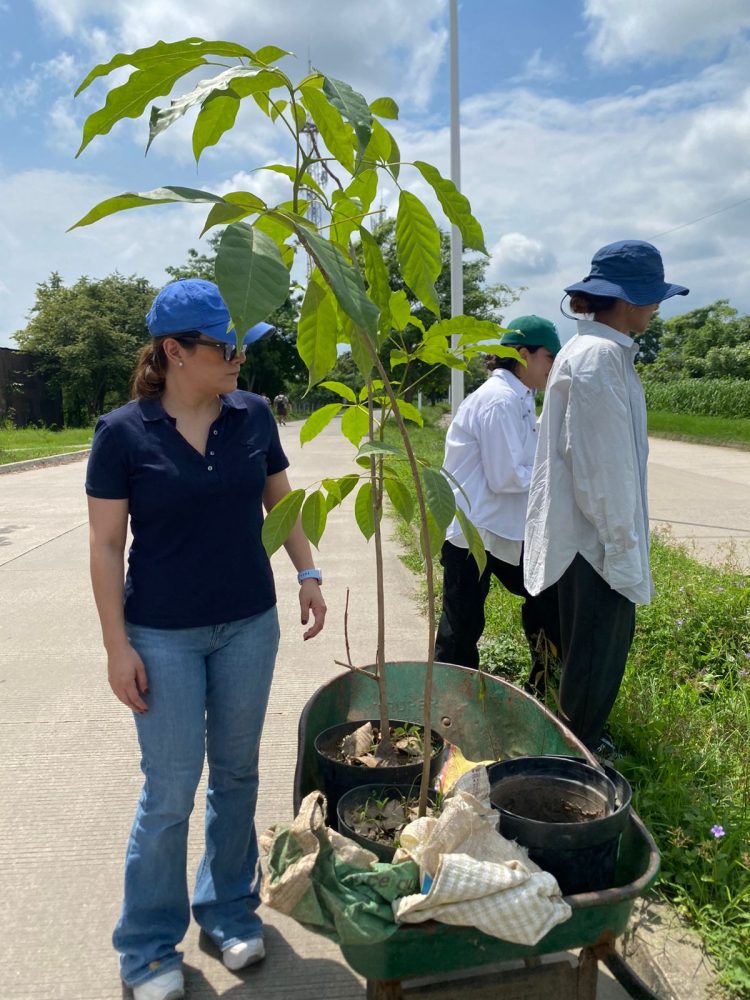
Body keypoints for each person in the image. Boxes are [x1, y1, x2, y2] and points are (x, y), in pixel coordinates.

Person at [86, 278, 327, 1000]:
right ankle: (148, 947)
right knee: (168, 792)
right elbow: (104, 545)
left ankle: (227, 911)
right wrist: (114, 646)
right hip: (162, 635)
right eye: (226, 348)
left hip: (249, 624)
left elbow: (279, 499)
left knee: (238, 775)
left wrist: (308, 570)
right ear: (175, 352)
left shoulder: (252, 416)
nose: (239, 361)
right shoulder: (123, 433)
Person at [524, 240, 688, 753]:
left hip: (588, 540)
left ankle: (580, 748)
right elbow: (603, 472)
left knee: (587, 658)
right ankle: (578, 762)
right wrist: (621, 552)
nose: (657, 306)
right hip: (595, 546)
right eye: (651, 296)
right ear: (626, 301)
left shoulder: (598, 353)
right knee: (594, 662)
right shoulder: (597, 359)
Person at [435, 316, 562, 691]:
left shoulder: (520, 397)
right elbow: (506, 476)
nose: (552, 366)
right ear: (523, 355)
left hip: (502, 529)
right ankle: (449, 707)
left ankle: (544, 685)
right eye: (548, 357)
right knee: (461, 627)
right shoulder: (499, 400)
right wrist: (557, 479)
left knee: (547, 598)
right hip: (472, 533)